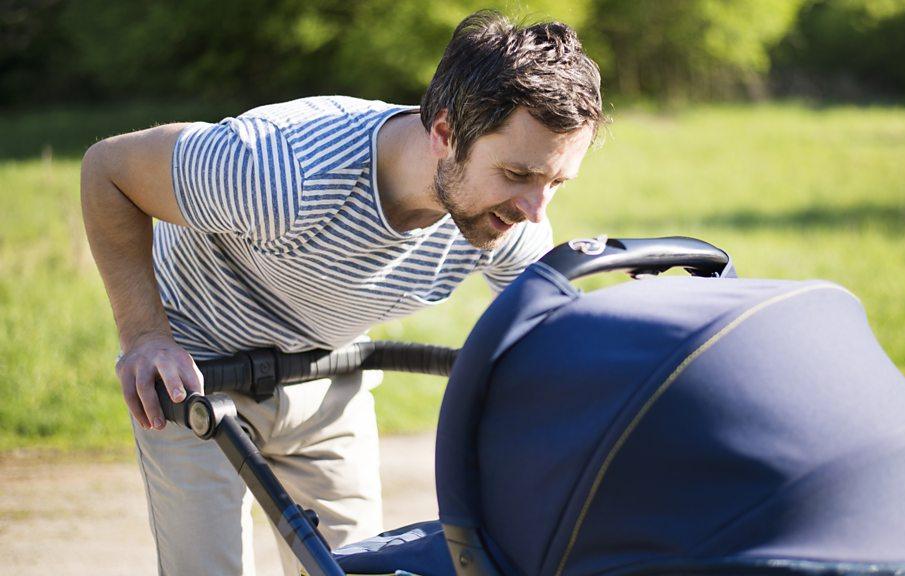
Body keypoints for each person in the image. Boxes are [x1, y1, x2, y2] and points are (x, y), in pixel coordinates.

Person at [80, 10, 604, 576]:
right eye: (516, 174)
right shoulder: (279, 170)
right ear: (446, 135)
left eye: (554, 182)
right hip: (197, 376)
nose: (534, 209)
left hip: (327, 377)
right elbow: (107, 170)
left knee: (353, 570)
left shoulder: (509, 224)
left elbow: (549, 337)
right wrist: (144, 336)